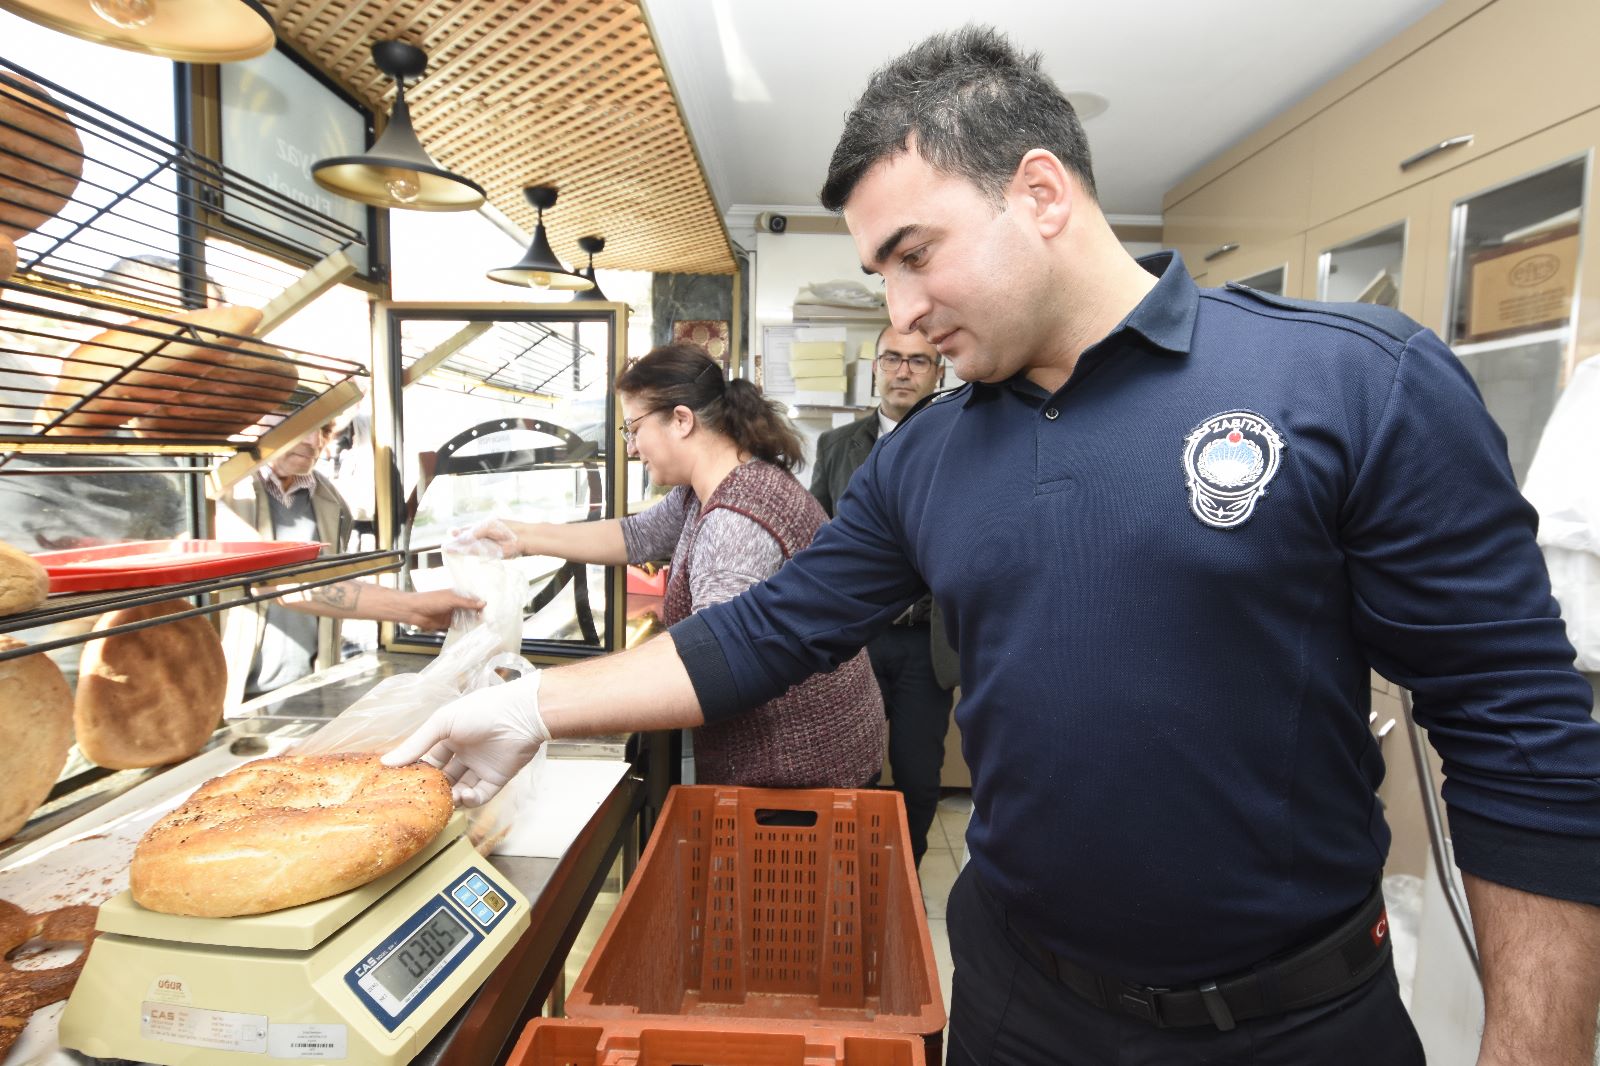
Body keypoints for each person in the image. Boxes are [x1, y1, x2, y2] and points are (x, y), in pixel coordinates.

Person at [387, 26, 1600, 1066]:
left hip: (1291, 1020)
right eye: (877, 274)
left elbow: (1523, 741)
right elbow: (770, 629)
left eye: (914, 254)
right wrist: (535, 705)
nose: (899, 312)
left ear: (1039, 192)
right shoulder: (927, 455)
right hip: (1019, 1007)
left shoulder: (1352, 384)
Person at [456, 343, 885, 788]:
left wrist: (531, 709)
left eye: (633, 429)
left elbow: (714, 670)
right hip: (801, 755)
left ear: (682, 420)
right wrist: (521, 535)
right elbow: (633, 536)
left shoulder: (735, 524)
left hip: (797, 770)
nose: (631, 448)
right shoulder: (706, 488)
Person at [812, 324, 958, 865]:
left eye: (918, 361)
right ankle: (849, 880)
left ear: (938, 373)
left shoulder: (964, 442)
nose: (903, 371)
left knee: (919, 780)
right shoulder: (836, 446)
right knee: (851, 772)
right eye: (892, 358)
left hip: (928, 643)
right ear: (874, 367)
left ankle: (903, 882)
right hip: (858, 640)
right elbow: (816, 530)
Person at [218, 420, 482, 703]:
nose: (313, 441)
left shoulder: (328, 500)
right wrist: (412, 608)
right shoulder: (223, 493)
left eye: (322, 430)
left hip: (306, 684)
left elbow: (328, 578)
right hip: (232, 687)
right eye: (297, 427)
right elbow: (271, 580)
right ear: (257, 427)